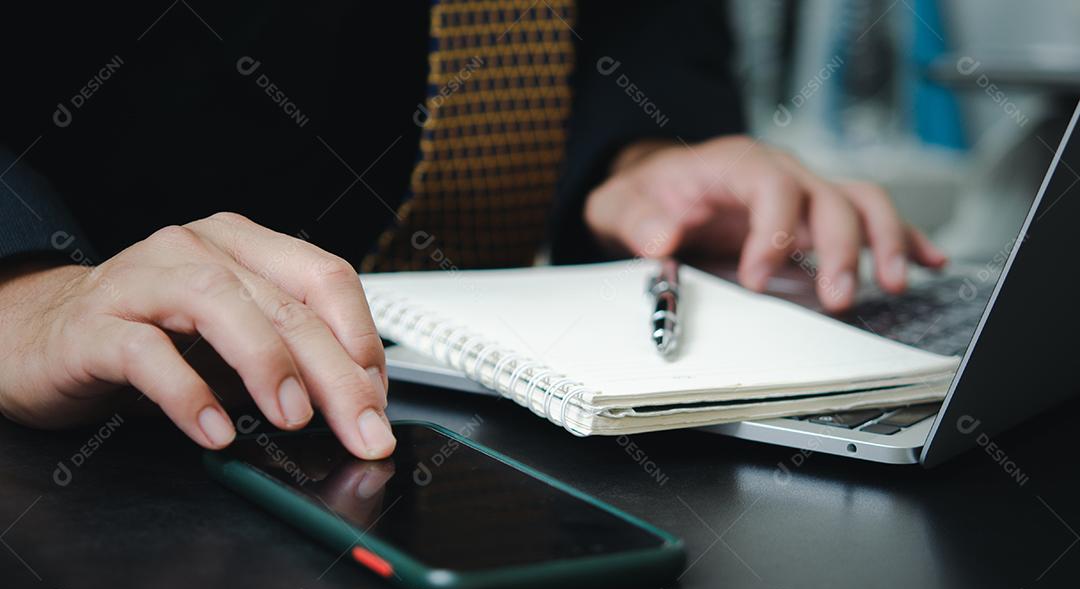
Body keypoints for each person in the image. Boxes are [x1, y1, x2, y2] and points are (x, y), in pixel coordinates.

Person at [0, 1, 946, 459]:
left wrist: (642, 153)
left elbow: (642, 20)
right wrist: (23, 285)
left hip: (502, 433)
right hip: (120, 431)